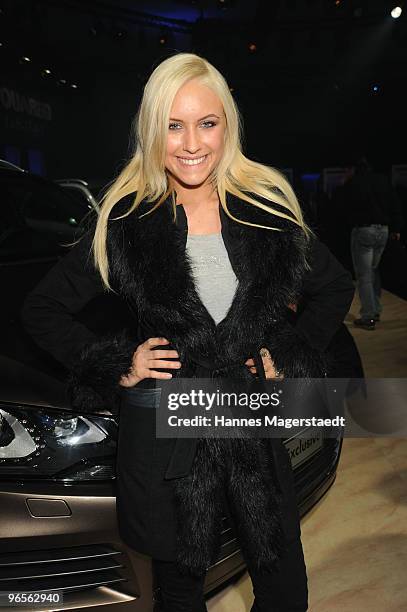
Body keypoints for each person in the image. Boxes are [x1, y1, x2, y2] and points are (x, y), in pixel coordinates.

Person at [21, 53, 354, 611]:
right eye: (174, 125)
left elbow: (335, 286)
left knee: (283, 582)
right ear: (153, 130)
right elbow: (43, 308)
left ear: (229, 125)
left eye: (207, 122)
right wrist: (121, 361)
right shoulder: (126, 222)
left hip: (248, 421)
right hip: (167, 436)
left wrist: (287, 351)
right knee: (178, 591)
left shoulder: (264, 212)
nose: (191, 143)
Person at [343, 156, 403, 330]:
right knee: (373, 271)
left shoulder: (355, 183)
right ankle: (375, 309)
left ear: (354, 169)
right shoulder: (383, 181)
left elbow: (345, 208)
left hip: (363, 230)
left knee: (364, 275)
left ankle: (368, 316)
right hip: (383, 231)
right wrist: (397, 228)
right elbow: (394, 204)